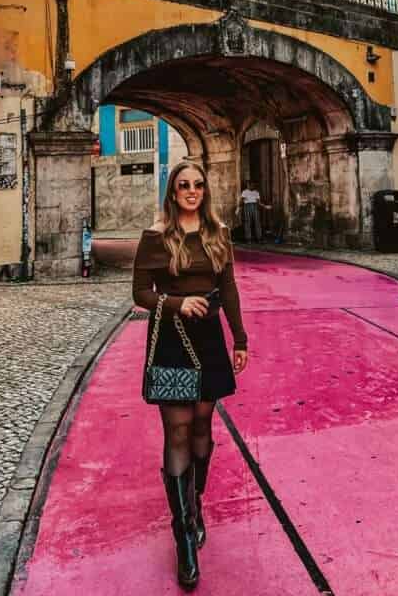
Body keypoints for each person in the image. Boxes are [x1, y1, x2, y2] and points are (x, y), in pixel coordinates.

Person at [132, 160, 248, 590]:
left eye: (198, 185)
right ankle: (183, 540)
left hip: (210, 341)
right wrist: (178, 304)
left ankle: (194, 506)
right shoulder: (156, 237)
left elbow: (230, 287)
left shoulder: (219, 234)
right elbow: (141, 292)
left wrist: (240, 338)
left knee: (202, 425)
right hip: (172, 339)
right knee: (177, 433)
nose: (192, 191)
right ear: (173, 190)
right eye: (184, 185)